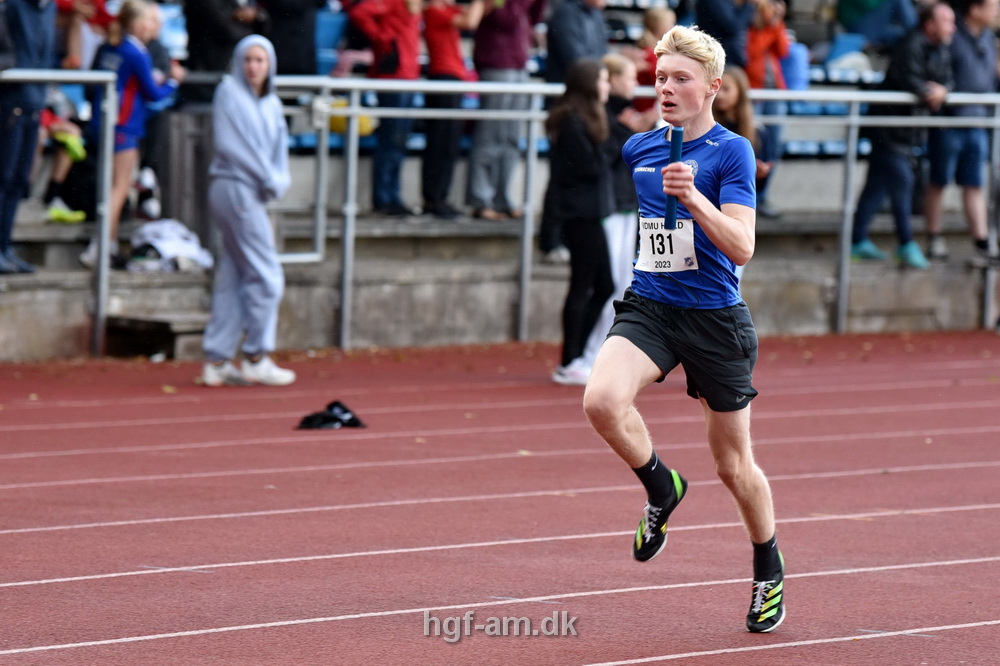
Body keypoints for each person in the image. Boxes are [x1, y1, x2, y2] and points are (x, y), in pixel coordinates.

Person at [582, 24, 786, 633]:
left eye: (680, 79)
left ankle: (767, 565)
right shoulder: (639, 148)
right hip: (651, 305)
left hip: (715, 319)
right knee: (601, 401)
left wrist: (697, 200)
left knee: (733, 466)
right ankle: (661, 487)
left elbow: (743, 246)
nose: (665, 88)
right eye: (660, 77)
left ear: (713, 88)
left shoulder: (732, 152)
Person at [201, 34, 297, 387]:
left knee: (235, 275)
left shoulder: (269, 102)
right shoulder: (228, 91)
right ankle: (257, 353)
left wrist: (279, 179)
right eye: (248, 60)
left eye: (260, 60)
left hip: (254, 190)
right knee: (267, 275)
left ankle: (217, 357)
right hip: (234, 187)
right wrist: (268, 176)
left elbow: (279, 146)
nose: (253, 67)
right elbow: (230, 145)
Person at [80, 0, 185, 268]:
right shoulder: (136, 52)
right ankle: (99, 247)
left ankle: (110, 243)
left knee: (112, 186)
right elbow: (153, 93)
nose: (155, 26)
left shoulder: (111, 46)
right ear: (138, 24)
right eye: (150, 21)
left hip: (104, 123)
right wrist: (173, 81)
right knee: (118, 189)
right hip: (124, 127)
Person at [850, 2, 954, 270]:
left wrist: (942, 91)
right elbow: (912, 80)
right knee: (902, 179)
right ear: (930, 25)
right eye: (947, 21)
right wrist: (930, 93)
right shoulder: (912, 43)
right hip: (888, 127)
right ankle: (906, 243)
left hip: (907, 131)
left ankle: (857, 240)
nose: (952, 27)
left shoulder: (941, 48)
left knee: (876, 185)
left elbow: (947, 79)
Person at [575, 52, 655, 384]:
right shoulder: (603, 117)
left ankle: (602, 351)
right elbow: (603, 160)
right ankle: (587, 353)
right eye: (628, 77)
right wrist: (635, 133)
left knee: (621, 283)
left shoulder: (618, 116)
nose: (634, 83)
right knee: (605, 285)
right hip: (608, 207)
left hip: (625, 205)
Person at [545, 58, 615, 385]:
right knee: (587, 283)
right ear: (589, 85)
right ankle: (570, 359)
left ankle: (577, 354)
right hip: (578, 214)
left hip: (588, 212)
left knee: (599, 284)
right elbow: (590, 166)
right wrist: (622, 135)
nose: (607, 87)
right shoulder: (572, 122)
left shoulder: (584, 119)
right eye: (603, 81)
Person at [923, 0, 999, 266]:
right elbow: (939, 70)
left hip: (978, 122)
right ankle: (934, 237)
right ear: (974, 9)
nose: (997, 11)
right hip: (949, 122)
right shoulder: (953, 34)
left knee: (974, 184)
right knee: (939, 181)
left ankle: (981, 241)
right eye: (992, 6)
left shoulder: (988, 38)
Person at [465, 0, 546, 222]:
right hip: (496, 63)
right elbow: (505, 20)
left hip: (518, 65)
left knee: (511, 137)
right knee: (490, 135)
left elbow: (536, 17)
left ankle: (502, 199)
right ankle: (481, 200)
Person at [348, 0, 422, 216]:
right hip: (393, 77)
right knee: (390, 140)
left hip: (409, 78)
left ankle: (393, 196)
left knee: (399, 141)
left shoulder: (413, 7)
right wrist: (382, 38)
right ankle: (383, 197)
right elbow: (360, 12)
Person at [0, 0, 56, 274]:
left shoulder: (49, 7)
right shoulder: (12, 6)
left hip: (35, 104)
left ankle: (5, 247)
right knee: (4, 176)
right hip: (11, 101)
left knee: (19, 180)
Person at [420, 0, 485, 219]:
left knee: (449, 143)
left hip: (452, 80)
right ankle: (433, 199)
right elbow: (471, 21)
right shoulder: (433, 12)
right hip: (442, 79)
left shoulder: (446, 11)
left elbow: (479, 13)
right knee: (440, 142)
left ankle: (441, 198)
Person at [714, 65, 776, 237]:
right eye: (717, 89)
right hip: (710, 204)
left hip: (739, 207)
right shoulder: (706, 129)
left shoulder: (757, 132)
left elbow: (762, 184)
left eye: (726, 89)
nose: (720, 95)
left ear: (740, 92)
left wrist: (759, 173)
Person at [744, 0, 788, 218]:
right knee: (753, 146)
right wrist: (769, 26)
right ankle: (746, 197)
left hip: (774, 92)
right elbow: (752, 52)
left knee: (774, 147)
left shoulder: (773, 27)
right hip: (753, 93)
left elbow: (783, 50)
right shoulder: (747, 24)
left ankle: (762, 196)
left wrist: (777, 23)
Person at [837, 0, 919, 51]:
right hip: (860, 28)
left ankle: (920, 33)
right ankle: (920, 31)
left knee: (903, 33)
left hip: (871, 26)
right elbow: (868, 3)